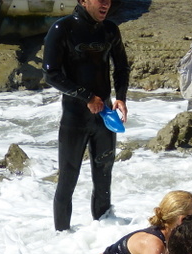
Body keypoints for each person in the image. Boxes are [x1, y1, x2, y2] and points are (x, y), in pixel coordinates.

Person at [43, 0, 129, 232]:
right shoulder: (63, 28)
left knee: (104, 179)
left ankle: (103, 236)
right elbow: (51, 73)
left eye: (108, 0)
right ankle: (61, 236)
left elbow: (121, 66)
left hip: (104, 117)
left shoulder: (109, 29)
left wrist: (121, 96)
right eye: (100, 0)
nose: (106, 4)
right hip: (75, 119)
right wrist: (87, 97)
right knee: (67, 180)